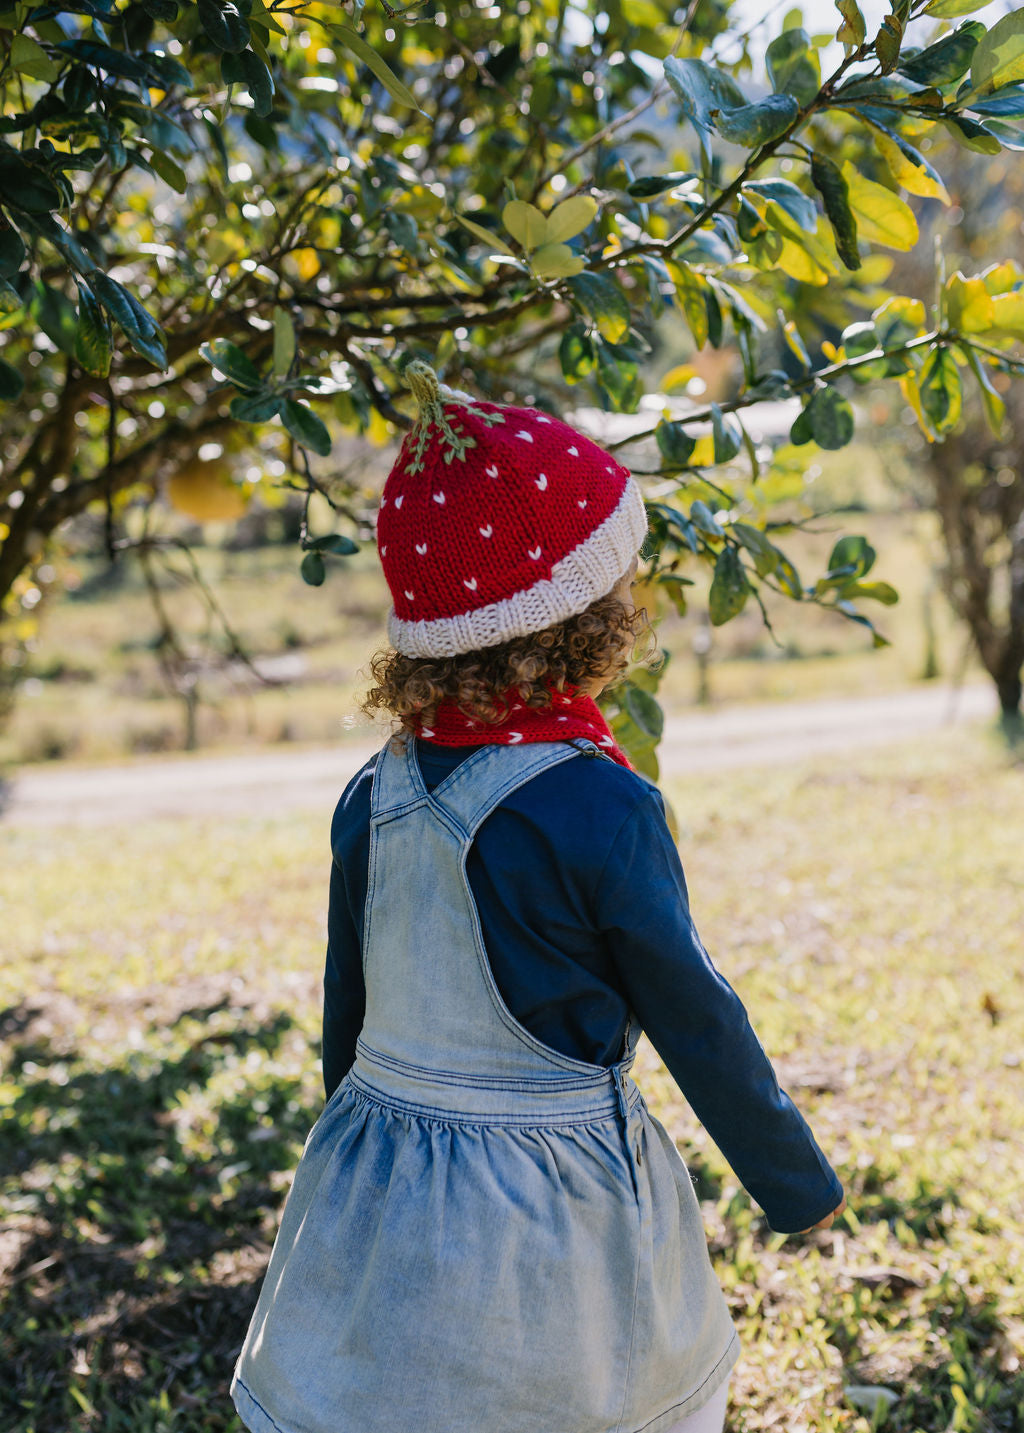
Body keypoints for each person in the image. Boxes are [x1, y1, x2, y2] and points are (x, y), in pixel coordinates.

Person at [230, 362, 846, 1433]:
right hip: (548, 1196)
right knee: (571, 1394)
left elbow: (352, 1001)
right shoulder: (603, 808)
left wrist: (356, 1149)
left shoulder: (370, 794)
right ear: (584, 618)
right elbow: (693, 1011)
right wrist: (794, 1181)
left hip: (387, 1165)